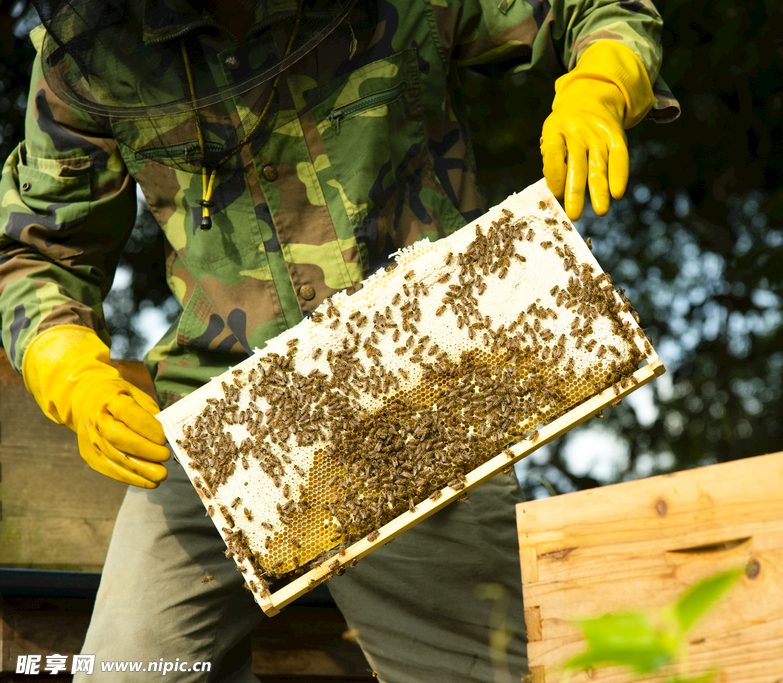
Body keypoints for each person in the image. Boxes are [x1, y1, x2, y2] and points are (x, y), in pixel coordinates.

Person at [0, 0, 679, 679]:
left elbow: (594, 10)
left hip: (418, 397)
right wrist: (69, 371)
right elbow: (39, 252)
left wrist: (601, 83)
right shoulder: (89, 49)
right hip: (223, 429)